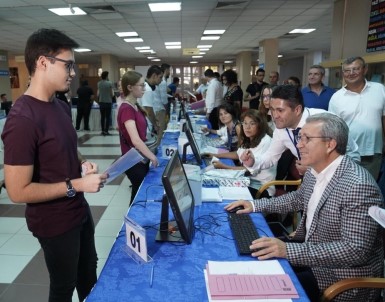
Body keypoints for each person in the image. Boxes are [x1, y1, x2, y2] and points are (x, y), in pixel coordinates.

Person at [225, 113, 384, 302]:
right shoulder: (316, 169)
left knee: (259, 290)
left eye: (306, 139)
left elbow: (354, 250)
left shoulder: (358, 186)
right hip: (313, 257)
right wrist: (253, 204)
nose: (299, 144)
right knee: (249, 267)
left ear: (330, 144)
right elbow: (297, 199)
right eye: (300, 137)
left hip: (340, 279)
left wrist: (288, 251)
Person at [1, 28, 108, 302]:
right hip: (54, 221)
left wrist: (83, 164)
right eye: (68, 64)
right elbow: (17, 191)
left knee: (88, 274)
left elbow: (67, 149)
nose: (73, 72)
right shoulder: (22, 118)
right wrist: (77, 184)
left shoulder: (59, 105)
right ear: (43, 62)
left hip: (78, 210)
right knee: (64, 286)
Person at [240, 85, 359, 176]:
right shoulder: (281, 130)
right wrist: (253, 162)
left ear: (297, 110)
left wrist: (317, 169)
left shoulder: (326, 121)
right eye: (272, 109)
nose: (274, 115)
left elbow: (353, 158)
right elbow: (270, 157)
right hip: (310, 181)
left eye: (280, 110)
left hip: (339, 181)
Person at [329, 56, 385, 180]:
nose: (351, 73)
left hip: (374, 152)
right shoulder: (337, 97)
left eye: (356, 69)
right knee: (348, 190)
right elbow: (333, 128)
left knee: (370, 188)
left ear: (365, 70)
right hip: (347, 153)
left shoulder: (380, 89)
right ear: (343, 73)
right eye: (347, 70)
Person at [206, 109, 276, 197]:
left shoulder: (265, 141)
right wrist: (215, 155)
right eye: (245, 123)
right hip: (247, 180)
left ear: (260, 126)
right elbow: (237, 154)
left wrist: (224, 167)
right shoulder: (249, 137)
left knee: (223, 192)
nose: (247, 127)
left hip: (261, 187)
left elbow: (249, 171)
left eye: (252, 123)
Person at [118, 70, 159, 204]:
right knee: (138, 195)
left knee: (139, 193)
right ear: (130, 87)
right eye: (141, 85)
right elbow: (135, 140)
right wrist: (152, 156)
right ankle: (132, 223)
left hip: (140, 157)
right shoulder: (126, 109)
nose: (144, 88)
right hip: (133, 160)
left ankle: (133, 222)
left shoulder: (134, 105)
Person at [138, 65, 163, 135]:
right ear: (154, 76)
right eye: (160, 77)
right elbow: (148, 110)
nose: (161, 80)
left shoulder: (146, 86)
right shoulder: (147, 89)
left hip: (144, 122)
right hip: (146, 124)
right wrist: (155, 125)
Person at [153, 63, 170, 144]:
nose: (170, 72)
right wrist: (167, 112)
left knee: (158, 131)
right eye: (169, 70)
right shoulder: (162, 82)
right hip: (160, 109)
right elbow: (164, 99)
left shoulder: (160, 81)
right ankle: (159, 149)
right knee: (161, 131)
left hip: (155, 108)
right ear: (166, 70)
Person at [97, 70, 114, 135]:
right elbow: (111, 94)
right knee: (107, 116)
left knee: (102, 117)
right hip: (108, 102)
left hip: (101, 102)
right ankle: (106, 131)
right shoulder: (109, 83)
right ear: (107, 76)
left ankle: (102, 130)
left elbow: (98, 94)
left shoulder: (99, 83)